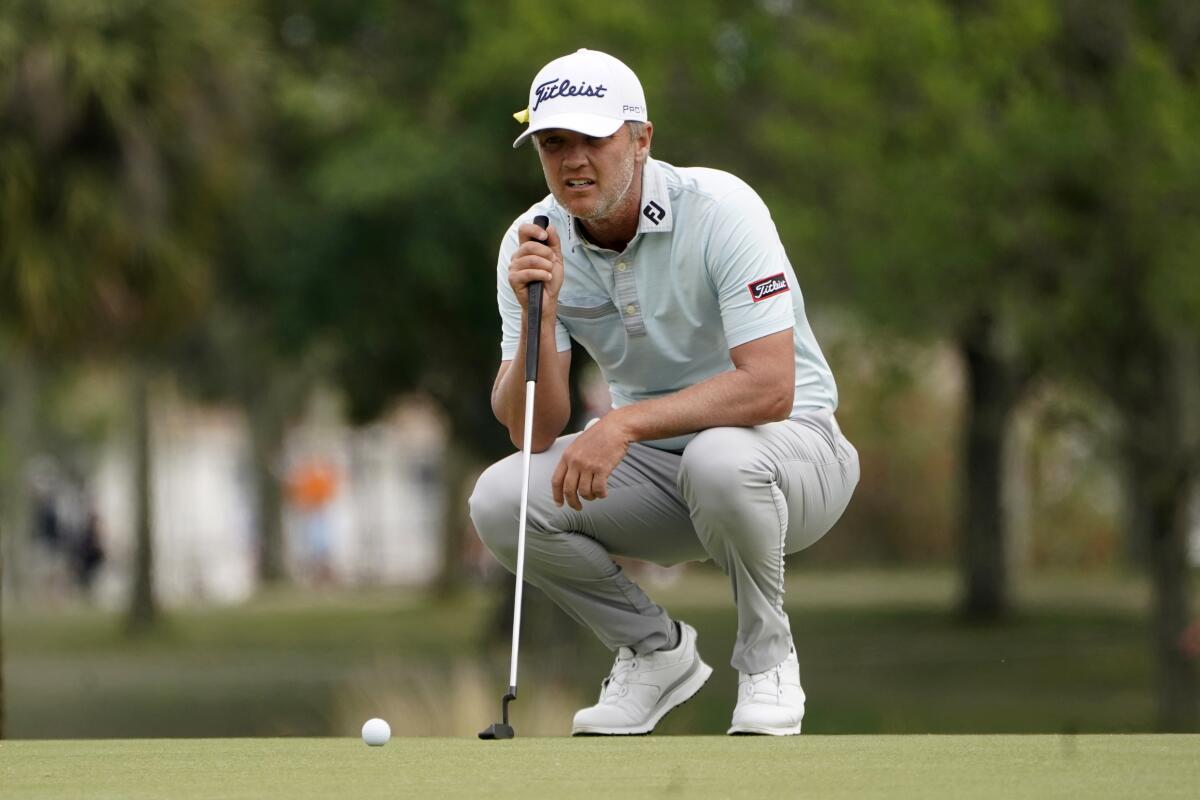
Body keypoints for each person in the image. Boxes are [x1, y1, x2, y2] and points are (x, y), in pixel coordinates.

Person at [469, 48, 859, 736]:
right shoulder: (532, 242)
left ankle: (769, 660)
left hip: (796, 456)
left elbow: (770, 388)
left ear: (641, 139)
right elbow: (532, 429)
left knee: (720, 459)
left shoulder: (721, 209)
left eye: (594, 138)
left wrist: (621, 424)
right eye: (554, 143)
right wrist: (542, 317)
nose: (573, 160)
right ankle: (655, 651)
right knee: (499, 499)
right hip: (663, 475)